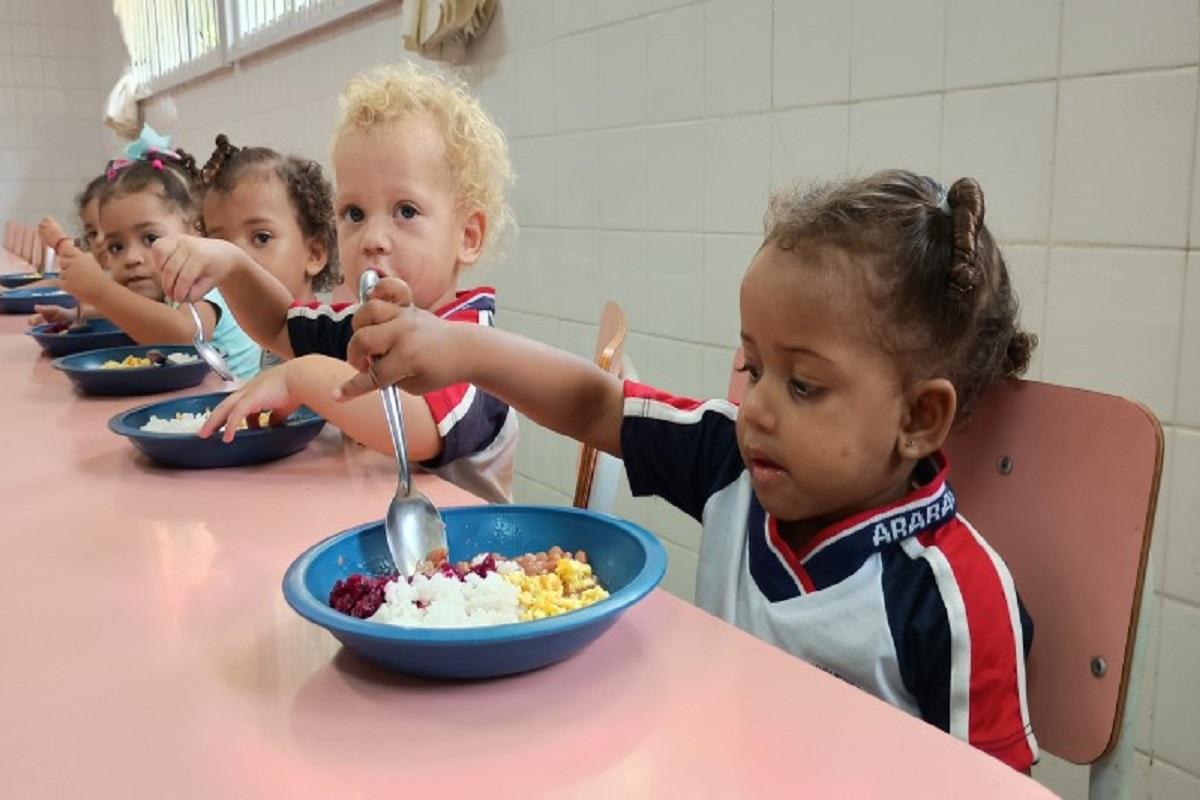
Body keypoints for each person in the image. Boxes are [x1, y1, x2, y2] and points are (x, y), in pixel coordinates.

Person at [338, 171, 1041, 772]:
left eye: (803, 386)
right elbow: (597, 404)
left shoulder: (956, 599)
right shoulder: (732, 462)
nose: (755, 408)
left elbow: (993, 785)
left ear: (918, 418)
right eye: (756, 368)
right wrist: (461, 350)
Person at [152, 63, 518, 504]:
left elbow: (422, 428)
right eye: (354, 214)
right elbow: (280, 328)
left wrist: (301, 377)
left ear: (467, 236)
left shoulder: (473, 342)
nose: (372, 240)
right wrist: (232, 265)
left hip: (467, 556)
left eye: (405, 211)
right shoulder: (367, 326)